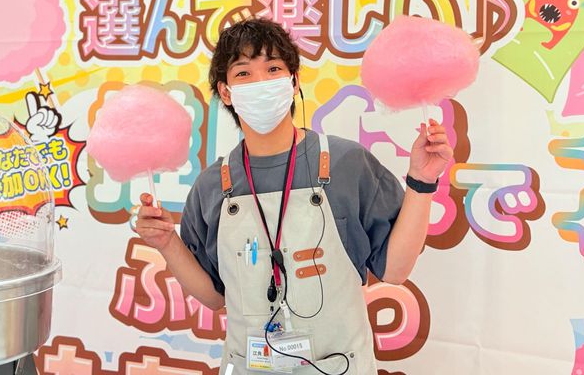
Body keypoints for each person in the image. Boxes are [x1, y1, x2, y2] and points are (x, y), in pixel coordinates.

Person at [135, 18, 452, 374]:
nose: (260, 82)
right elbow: (214, 296)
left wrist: (422, 181)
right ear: (225, 92)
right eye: (243, 73)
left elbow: (394, 270)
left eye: (273, 68)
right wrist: (166, 242)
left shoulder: (346, 163)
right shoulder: (211, 186)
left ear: (294, 81)